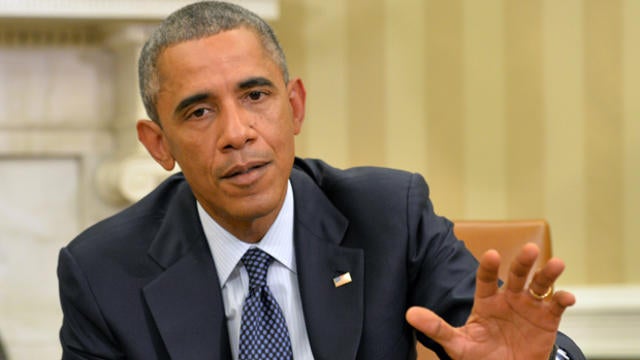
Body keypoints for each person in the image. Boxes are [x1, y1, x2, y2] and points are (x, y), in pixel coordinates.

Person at [57, 1, 583, 359]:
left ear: (295, 107)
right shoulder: (102, 272)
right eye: (199, 112)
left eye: (256, 96)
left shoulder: (388, 216)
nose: (237, 133)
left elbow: (493, 337)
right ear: (158, 144)